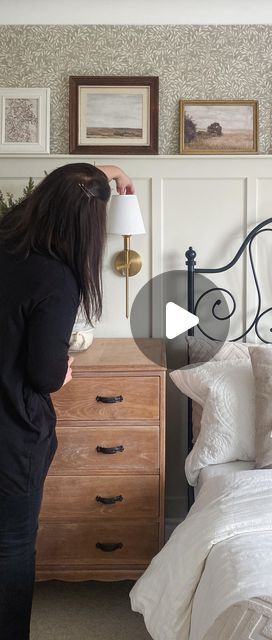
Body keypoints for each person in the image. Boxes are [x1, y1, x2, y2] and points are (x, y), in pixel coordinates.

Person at [0, 162, 134, 639]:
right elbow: (44, 375)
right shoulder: (56, 278)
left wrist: (105, 174)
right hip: (10, 436)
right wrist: (65, 369)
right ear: (90, 226)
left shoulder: (6, 237)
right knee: (11, 546)